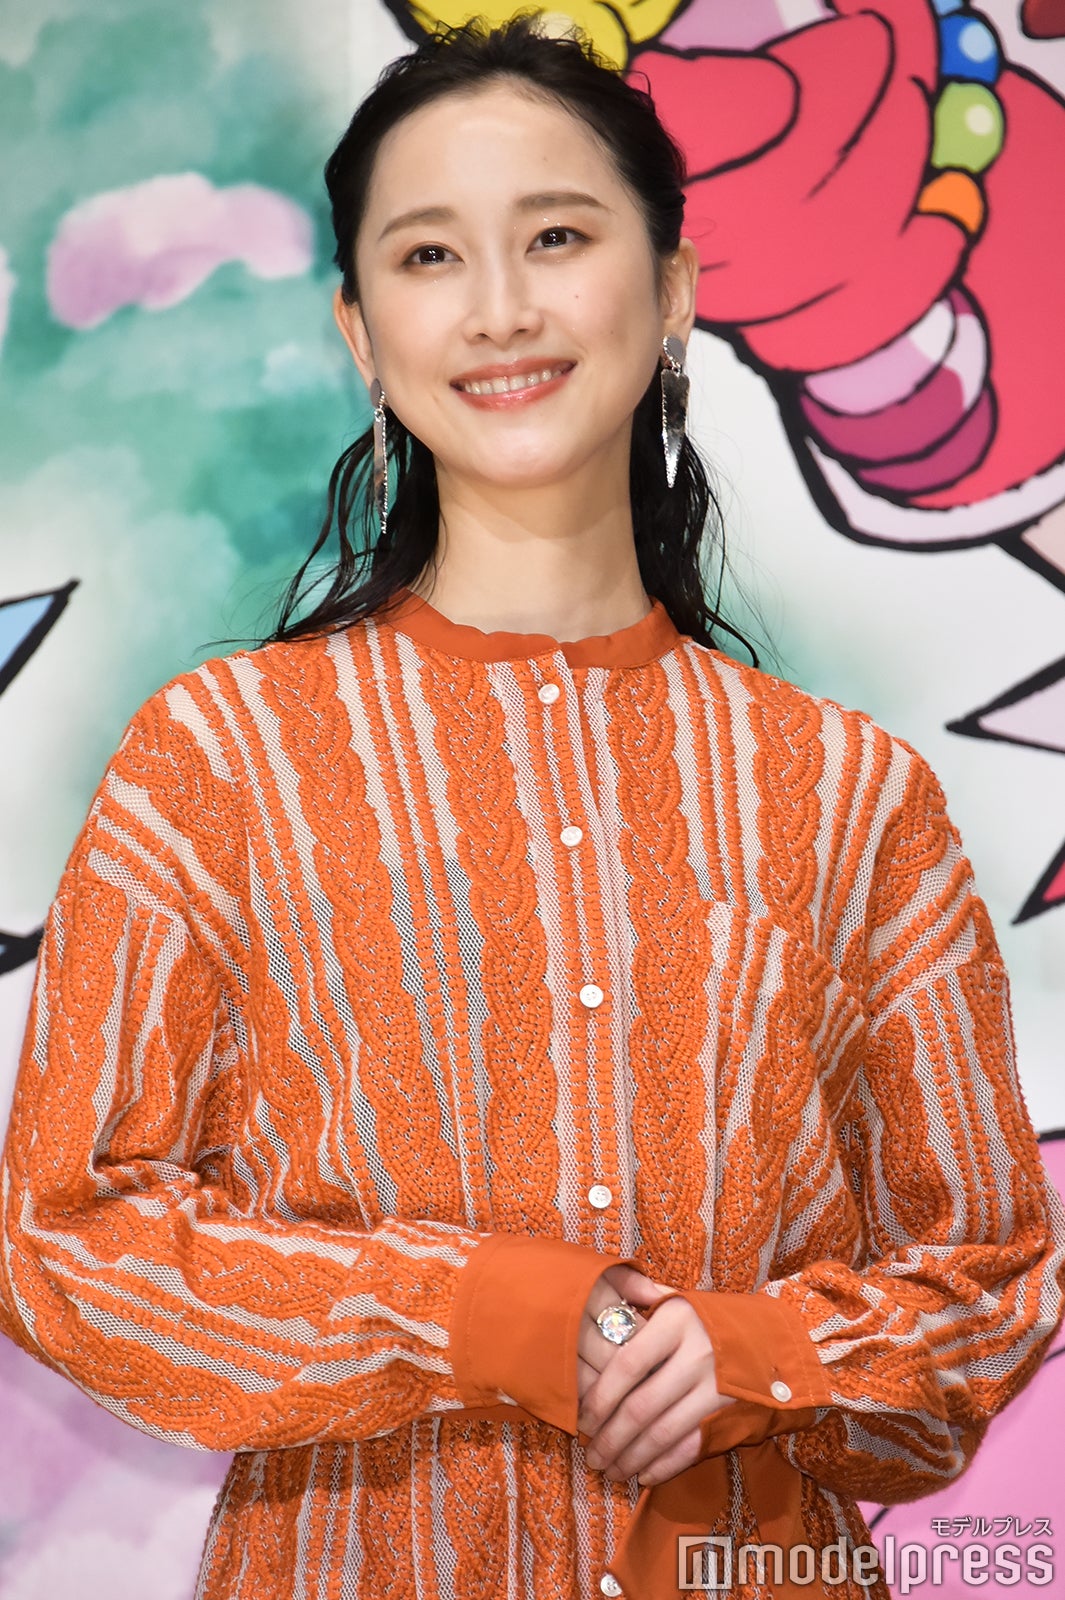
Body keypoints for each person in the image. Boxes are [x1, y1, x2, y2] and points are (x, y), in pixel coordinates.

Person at [1, 14, 1063, 1600]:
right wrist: (483, 1314)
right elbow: (68, 1239)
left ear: (672, 286)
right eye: (429, 256)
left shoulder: (849, 795)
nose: (499, 308)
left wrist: (760, 1354)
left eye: (556, 237)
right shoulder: (218, 761)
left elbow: (989, 1280)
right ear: (361, 333)